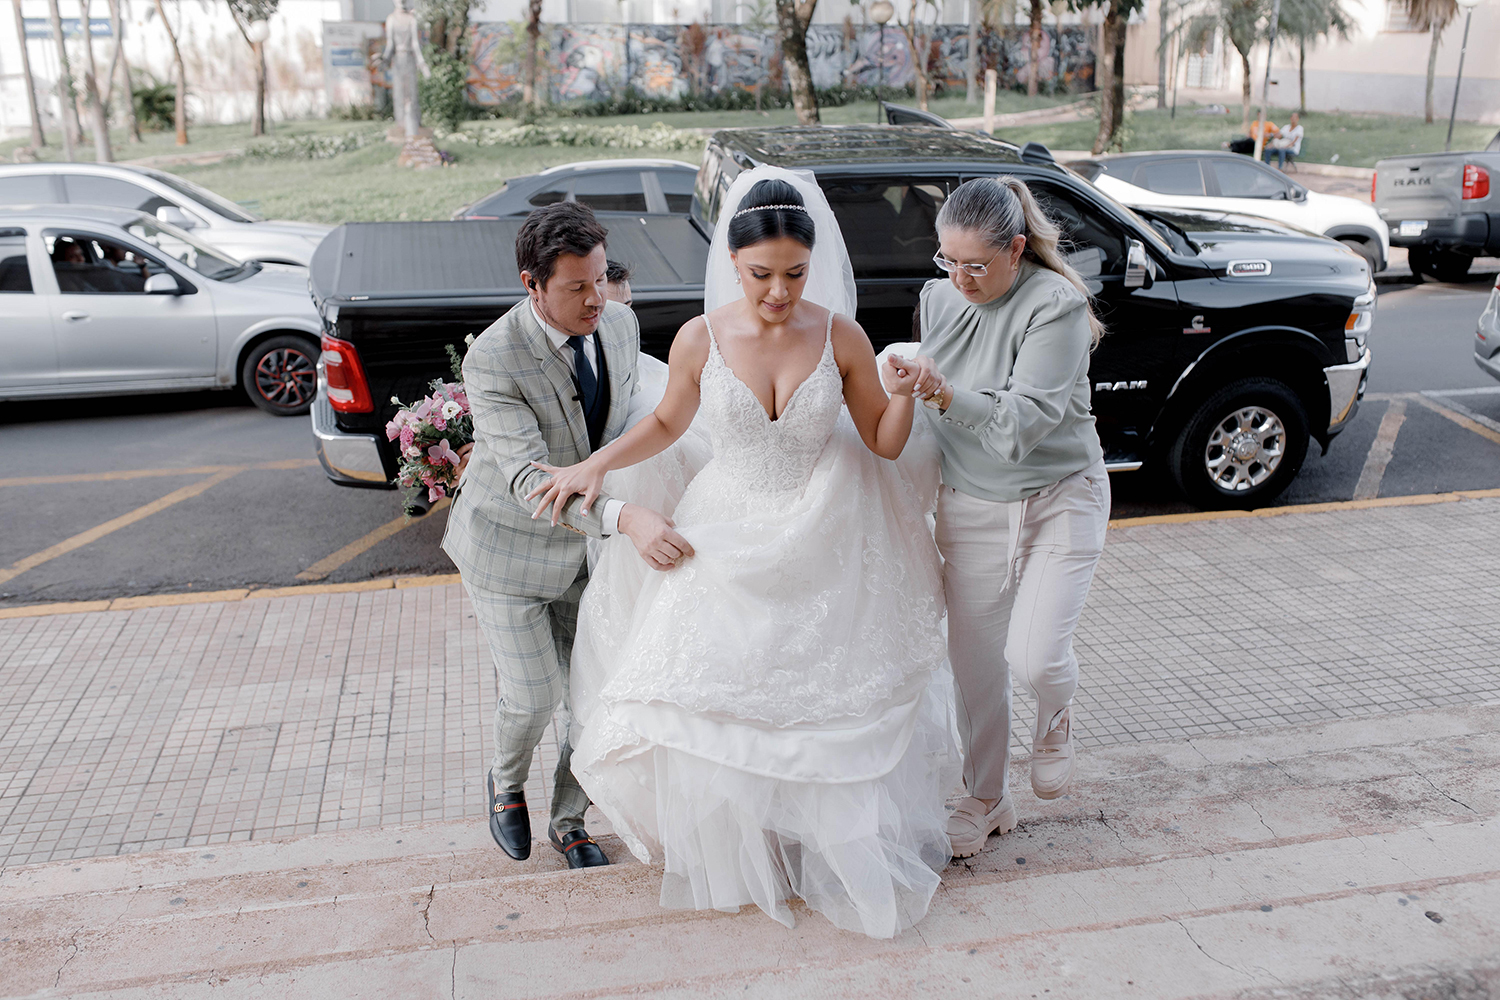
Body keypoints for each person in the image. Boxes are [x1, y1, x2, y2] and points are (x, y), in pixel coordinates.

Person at [527, 171, 960, 938]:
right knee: (713, 682)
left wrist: (905, 392)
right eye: (762, 276)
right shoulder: (701, 337)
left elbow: (884, 444)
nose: (779, 292)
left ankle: (817, 841)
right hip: (725, 520)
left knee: (818, 691)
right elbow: (666, 422)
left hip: (824, 524)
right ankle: (746, 845)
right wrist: (596, 466)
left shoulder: (840, 336)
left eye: (795, 275)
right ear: (735, 266)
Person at [440, 201, 691, 871]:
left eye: (602, 279)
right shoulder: (493, 359)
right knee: (534, 693)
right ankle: (504, 782)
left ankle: (570, 817)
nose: (596, 300)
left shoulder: (621, 322)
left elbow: (625, 433)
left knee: (594, 691)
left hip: (592, 557)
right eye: (576, 287)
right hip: (508, 553)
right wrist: (627, 518)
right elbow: (530, 480)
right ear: (532, 284)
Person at [901, 176, 1110, 859]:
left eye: (976, 265)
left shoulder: (1056, 305)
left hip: (1060, 498)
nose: (959, 278)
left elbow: (1018, 427)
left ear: (1016, 249)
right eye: (947, 260)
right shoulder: (938, 301)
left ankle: (1055, 716)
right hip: (970, 504)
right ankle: (985, 798)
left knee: (1034, 655)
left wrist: (939, 390)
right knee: (976, 669)